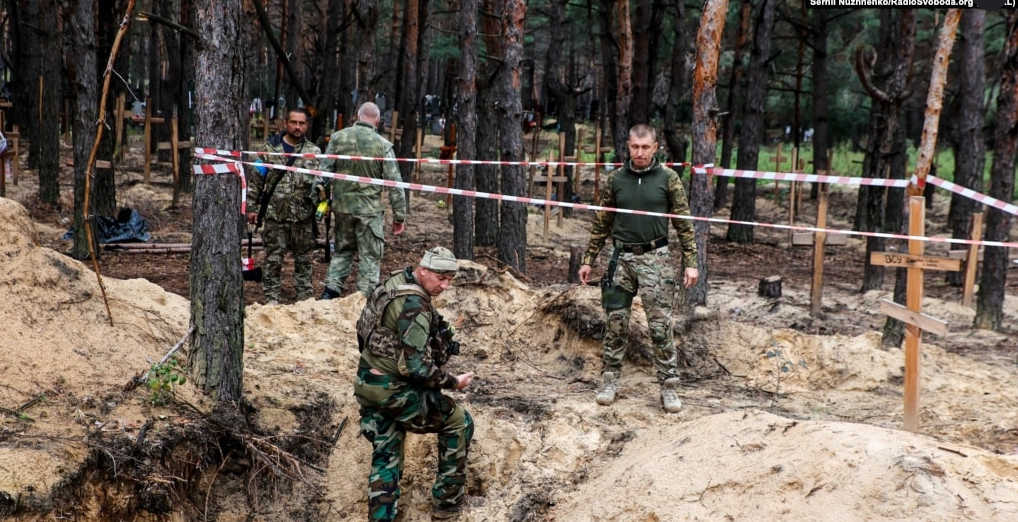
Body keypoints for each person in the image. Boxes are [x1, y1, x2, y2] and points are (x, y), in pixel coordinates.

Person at [577, 124, 699, 413]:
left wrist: (691, 262)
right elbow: (602, 223)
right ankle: (609, 380)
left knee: (660, 326)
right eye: (635, 147)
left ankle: (669, 385)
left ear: (656, 147)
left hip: (656, 259)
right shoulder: (615, 180)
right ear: (628, 147)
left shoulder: (669, 179)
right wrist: (588, 259)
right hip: (621, 259)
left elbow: (683, 221)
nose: (640, 152)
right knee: (615, 323)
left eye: (646, 147)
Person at [354, 246, 474, 521]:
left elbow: (364, 330)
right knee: (458, 420)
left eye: (449, 280)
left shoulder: (395, 281)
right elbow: (417, 367)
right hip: (393, 390)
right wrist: (453, 382)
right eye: (440, 278)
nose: (444, 286)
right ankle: (447, 505)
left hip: (367, 383)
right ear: (424, 270)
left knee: (387, 453)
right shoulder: (415, 305)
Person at [319, 102, 407, 299]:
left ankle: (330, 293)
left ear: (357, 117)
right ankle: (363, 300)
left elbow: (323, 173)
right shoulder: (383, 145)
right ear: (377, 120)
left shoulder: (337, 138)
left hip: (342, 209)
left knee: (342, 251)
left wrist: (322, 203)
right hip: (369, 212)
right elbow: (395, 183)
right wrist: (399, 216)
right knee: (370, 256)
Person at [246, 107, 323, 303]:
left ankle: (304, 299)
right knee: (273, 260)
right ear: (285, 124)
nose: (297, 127)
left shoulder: (314, 152)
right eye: (294, 123)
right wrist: (252, 208)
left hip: (303, 218)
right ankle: (272, 299)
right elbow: (256, 181)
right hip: (275, 217)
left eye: (302, 123)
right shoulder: (268, 150)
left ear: (306, 125)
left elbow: (321, 183)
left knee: (304, 261)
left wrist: (322, 200)